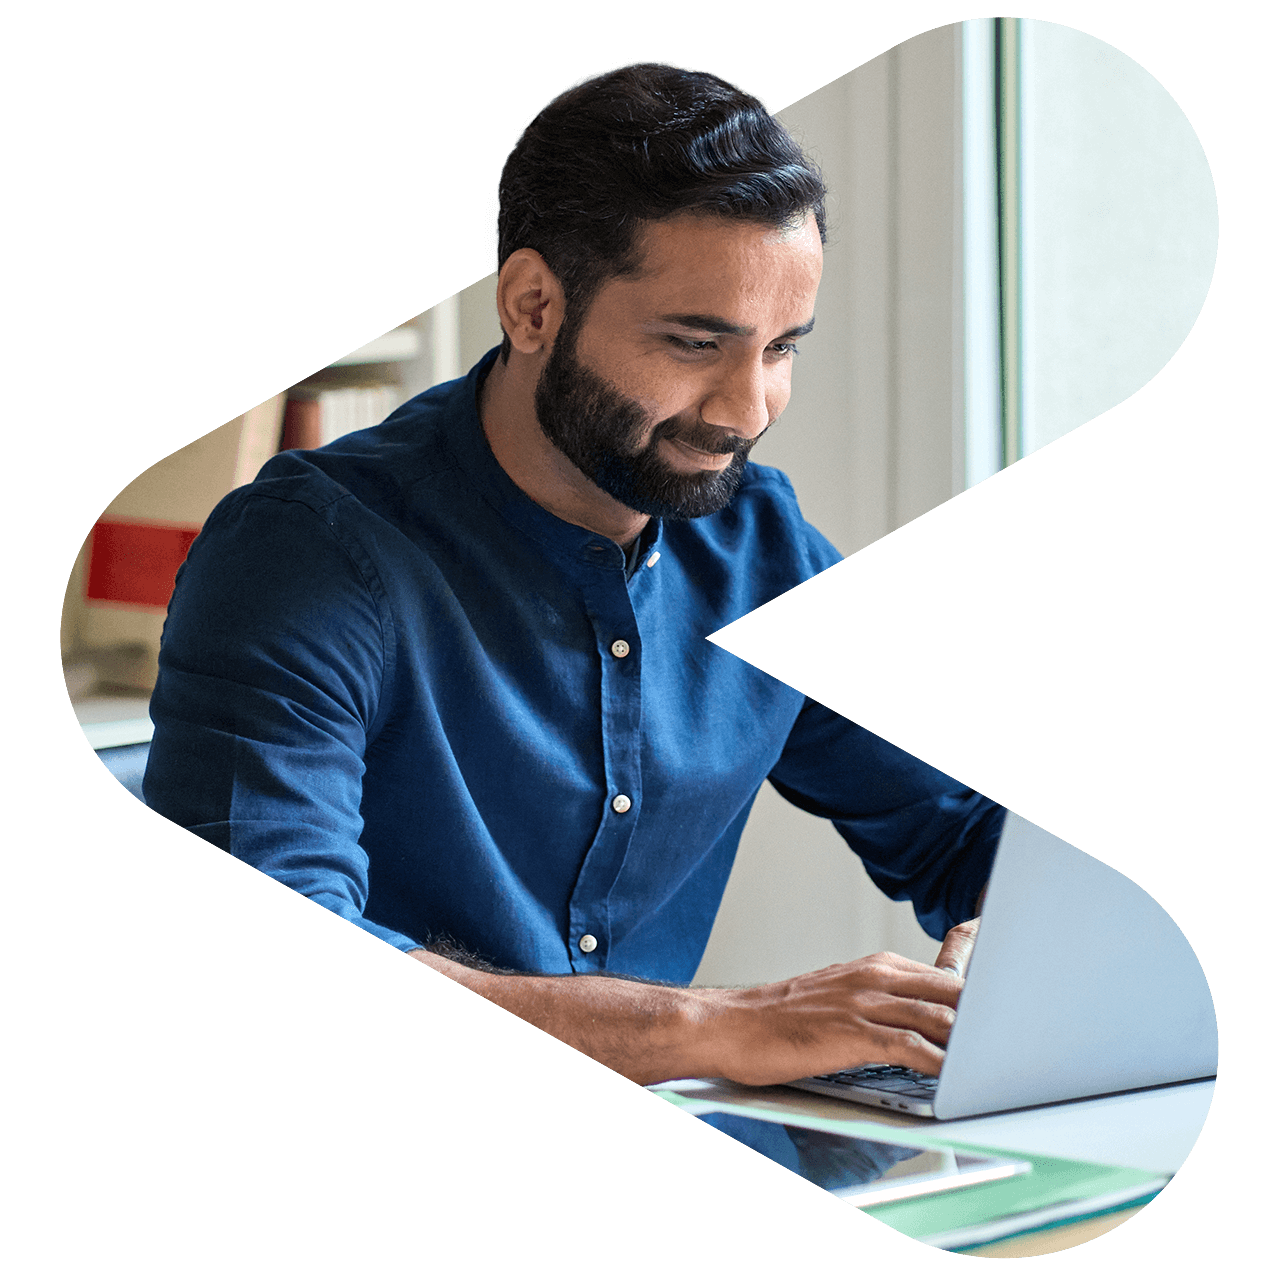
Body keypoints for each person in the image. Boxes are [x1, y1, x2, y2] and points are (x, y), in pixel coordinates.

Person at [143, 61, 1002, 1089]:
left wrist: (1004, 944)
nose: (746, 408)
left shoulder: (756, 543)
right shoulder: (301, 556)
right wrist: (711, 1025)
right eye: (695, 342)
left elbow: (959, 830)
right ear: (533, 305)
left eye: (781, 347)